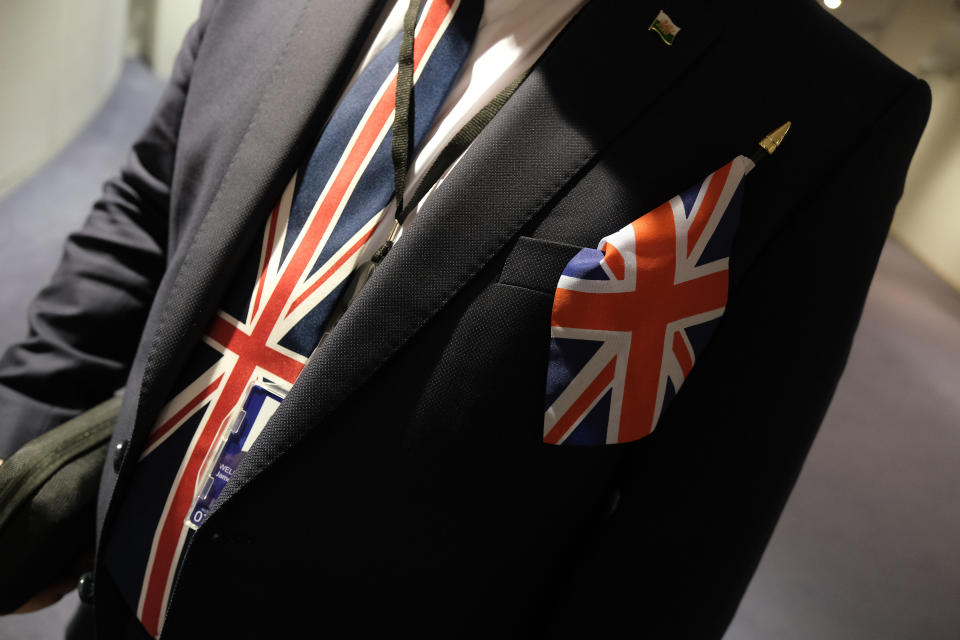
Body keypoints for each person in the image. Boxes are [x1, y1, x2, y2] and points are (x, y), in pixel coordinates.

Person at [0, 0, 931, 637]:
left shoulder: (819, 103)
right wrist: (20, 466)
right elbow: (147, 213)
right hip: (113, 594)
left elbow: (682, 549)